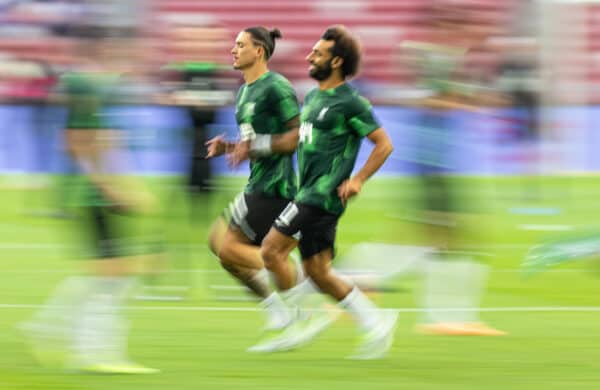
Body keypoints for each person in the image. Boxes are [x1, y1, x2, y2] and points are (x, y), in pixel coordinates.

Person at [20, 26, 160, 374]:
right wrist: (110, 187)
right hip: (89, 193)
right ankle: (94, 351)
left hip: (94, 191)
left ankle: (51, 329)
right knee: (114, 272)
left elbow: (105, 139)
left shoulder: (101, 86)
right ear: (109, 49)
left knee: (111, 271)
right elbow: (77, 141)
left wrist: (127, 185)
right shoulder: (85, 85)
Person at [257, 25, 398, 359]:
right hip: (308, 192)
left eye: (317, 53)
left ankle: (298, 320)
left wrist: (359, 179)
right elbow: (299, 144)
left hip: (320, 196)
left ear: (336, 61)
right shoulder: (315, 97)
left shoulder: (352, 103)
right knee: (319, 273)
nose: (309, 56)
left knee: (270, 250)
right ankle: (377, 322)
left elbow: (383, 144)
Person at [205, 26, 317, 336]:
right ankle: (277, 310)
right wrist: (228, 147)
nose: (233, 50)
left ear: (259, 52)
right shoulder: (243, 92)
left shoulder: (276, 87)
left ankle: (298, 283)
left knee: (229, 249)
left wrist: (253, 147)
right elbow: (251, 141)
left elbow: (298, 136)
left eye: (240, 45)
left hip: (275, 188)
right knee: (220, 248)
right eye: (234, 44)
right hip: (258, 182)